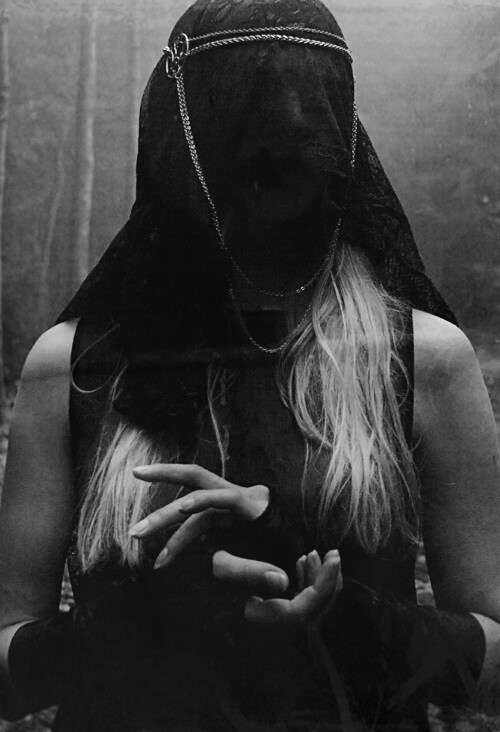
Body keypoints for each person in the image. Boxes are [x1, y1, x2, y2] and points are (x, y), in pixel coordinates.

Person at [1, 0, 500, 729]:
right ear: (182, 136)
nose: (280, 138)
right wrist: (137, 627)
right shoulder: (76, 367)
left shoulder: (421, 359)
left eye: (302, 115)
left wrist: (356, 621)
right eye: (244, 109)